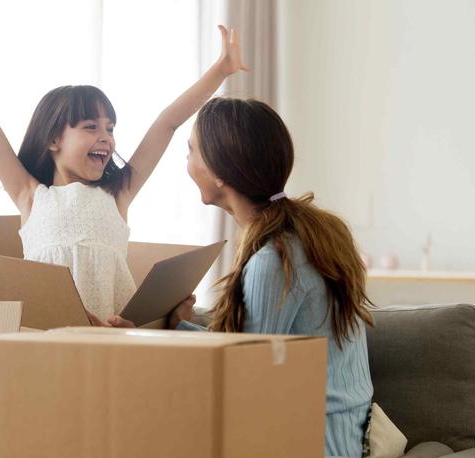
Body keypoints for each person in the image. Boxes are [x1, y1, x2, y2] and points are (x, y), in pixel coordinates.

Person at [0, 20, 248, 323]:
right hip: (50, 336)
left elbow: (168, 122)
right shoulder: (30, 195)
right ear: (54, 139)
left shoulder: (119, 193)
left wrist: (221, 70)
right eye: (91, 127)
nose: (106, 138)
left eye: (110, 128)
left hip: (113, 336)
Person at [158, 98, 373, 457]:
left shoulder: (274, 260)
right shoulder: (310, 235)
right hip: (344, 432)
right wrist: (182, 326)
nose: (187, 164)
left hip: (318, 442)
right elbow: (256, 350)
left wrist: (178, 329)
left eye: (190, 151)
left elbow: (245, 375)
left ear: (218, 170)